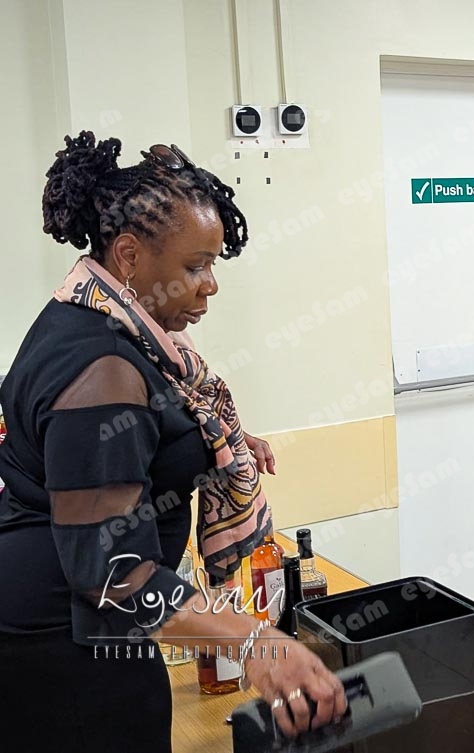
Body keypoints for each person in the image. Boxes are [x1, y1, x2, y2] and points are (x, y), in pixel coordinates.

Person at [0, 132, 347, 752]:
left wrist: (208, 443)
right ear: (129, 255)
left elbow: (125, 434)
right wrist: (252, 642)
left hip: (73, 619)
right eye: (195, 267)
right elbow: (111, 572)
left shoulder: (89, 319)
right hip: (66, 641)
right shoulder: (103, 369)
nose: (210, 285)